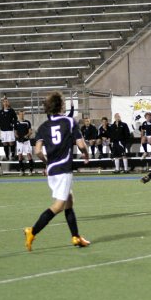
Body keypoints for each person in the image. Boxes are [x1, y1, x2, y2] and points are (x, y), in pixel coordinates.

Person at [23, 91, 90, 251]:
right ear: (60, 105)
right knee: (59, 205)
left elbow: (38, 150)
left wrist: (47, 163)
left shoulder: (44, 126)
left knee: (69, 201)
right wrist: (86, 154)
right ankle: (32, 231)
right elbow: (81, 145)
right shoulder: (69, 121)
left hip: (52, 169)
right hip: (64, 168)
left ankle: (76, 237)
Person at [14, 109, 34, 176]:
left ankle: (31, 170)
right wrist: (17, 137)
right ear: (18, 114)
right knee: (20, 155)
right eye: (20, 114)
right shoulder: (16, 123)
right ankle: (22, 170)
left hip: (26, 142)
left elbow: (30, 132)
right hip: (19, 142)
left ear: (24, 114)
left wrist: (26, 136)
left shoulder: (27, 122)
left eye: (22, 114)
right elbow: (15, 132)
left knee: (29, 155)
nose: (21, 115)